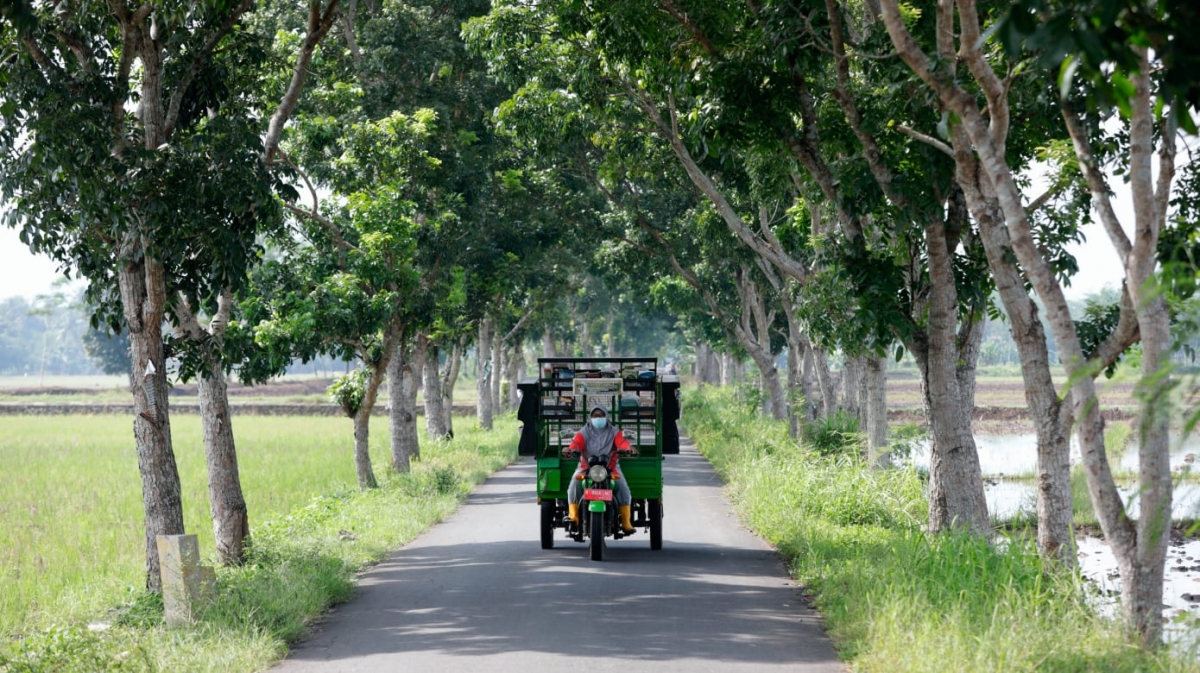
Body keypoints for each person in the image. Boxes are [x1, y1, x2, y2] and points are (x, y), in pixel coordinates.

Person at [565, 406, 637, 534]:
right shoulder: (584, 432)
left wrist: (629, 448)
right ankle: (574, 517)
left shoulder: (614, 431)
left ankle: (626, 522)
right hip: (586, 468)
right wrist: (569, 449)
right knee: (573, 486)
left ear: (607, 416)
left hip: (610, 468)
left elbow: (621, 443)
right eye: (595, 415)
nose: (598, 418)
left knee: (623, 489)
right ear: (590, 418)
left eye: (601, 415)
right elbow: (576, 443)